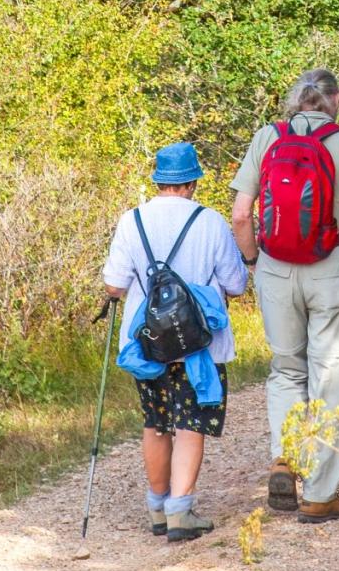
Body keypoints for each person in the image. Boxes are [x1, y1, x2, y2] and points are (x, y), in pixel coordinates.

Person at [231, 68, 339, 523]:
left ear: (295, 101)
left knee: (286, 369)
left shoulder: (268, 137)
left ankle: (285, 458)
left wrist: (252, 262)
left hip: (276, 268)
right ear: (334, 99)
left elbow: (242, 215)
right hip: (332, 266)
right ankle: (320, 494)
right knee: (333, 377)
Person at [103, 140, 248, 544]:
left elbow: (114, 285)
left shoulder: (131, 221)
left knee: (156, 422)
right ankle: (181, 511)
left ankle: (157, 506)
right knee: (190, 423)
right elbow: (235, 284)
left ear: (158, 180)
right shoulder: (211, 222)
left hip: (148, 343)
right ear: (193, 181)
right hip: (199, 344)